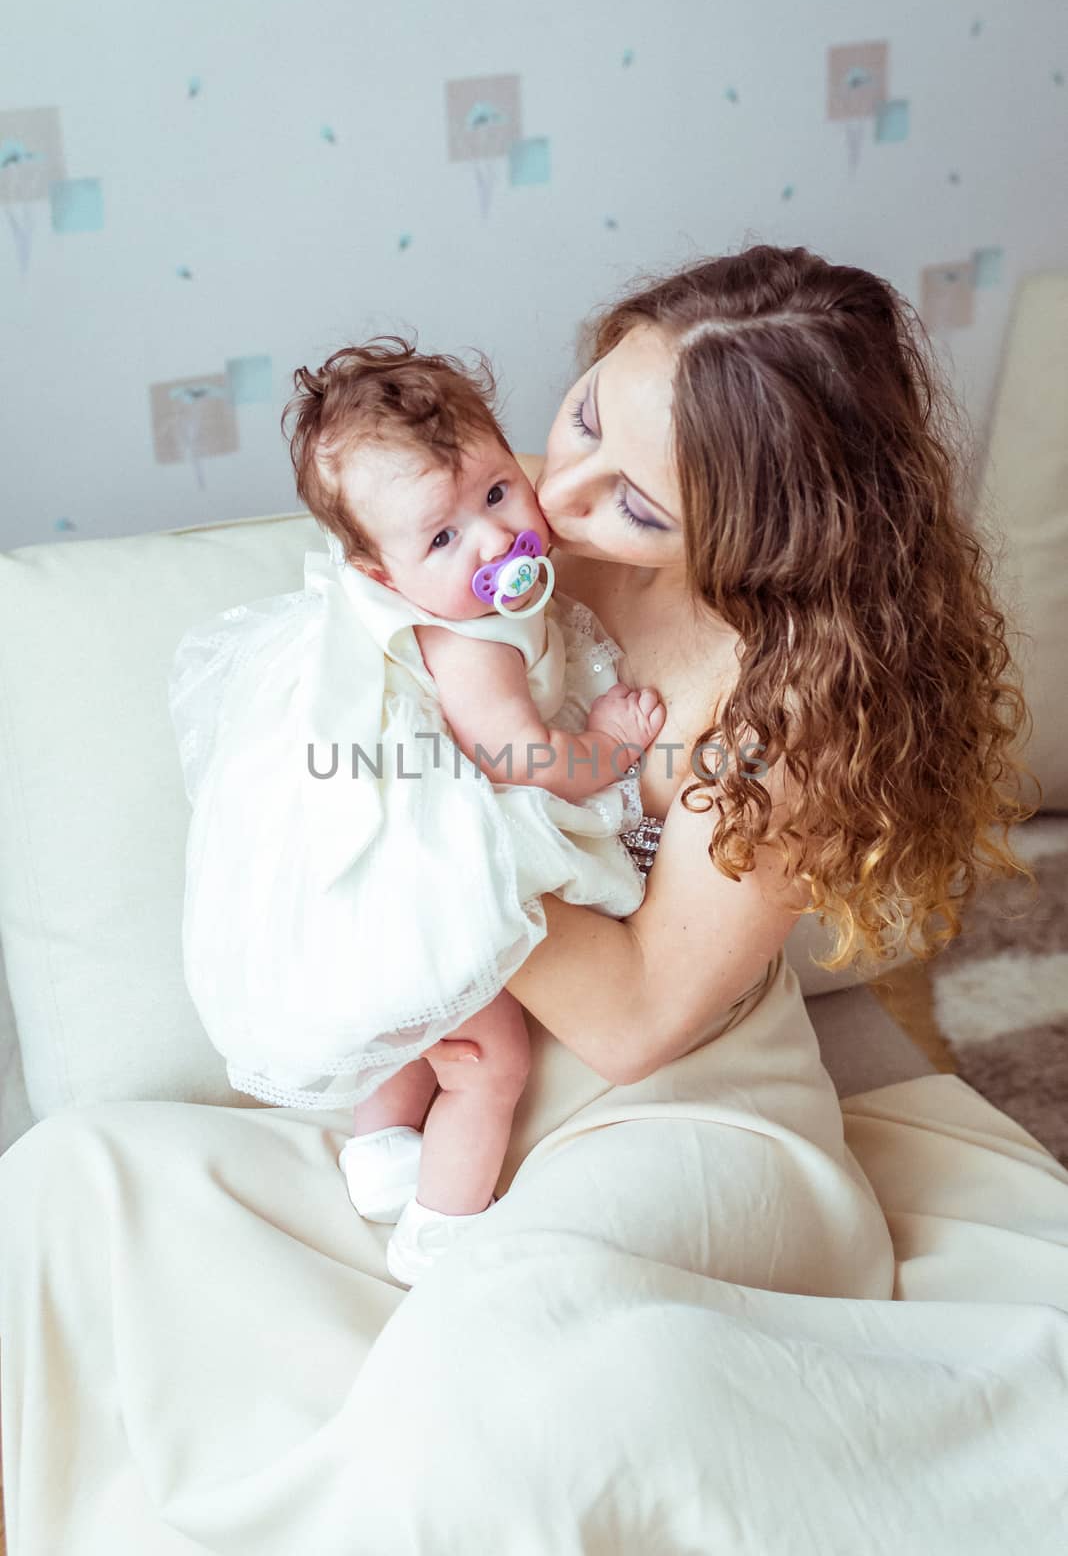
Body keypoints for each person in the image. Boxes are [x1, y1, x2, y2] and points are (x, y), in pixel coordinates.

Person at [0, 245, 1047, 1553]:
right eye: (586, 417)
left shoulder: (794, 708)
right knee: (74, 1184)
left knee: (518, 1356)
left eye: (642, 505)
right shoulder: (504, 527)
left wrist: (422, 839)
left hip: (680, 1119)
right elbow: (349, 652)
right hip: (462, 1097)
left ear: (765, 531)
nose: (562, 497)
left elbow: (638, 1020)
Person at [168, 339, 666, 1285]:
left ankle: (380, 1147)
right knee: (487, 1054)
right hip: (415, 848)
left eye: (494, 494)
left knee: (402, 1012)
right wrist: (609, 745)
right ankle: (441, 1231)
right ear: (384, 573)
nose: (492, 544)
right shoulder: (470, 642)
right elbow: (514, 757)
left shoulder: (459, 576)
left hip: (359, 843)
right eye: (442, 539)